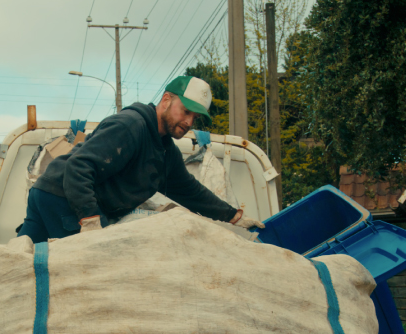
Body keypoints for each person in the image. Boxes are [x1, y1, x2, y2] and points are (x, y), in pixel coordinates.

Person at [18, 75, 265, 242]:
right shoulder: (131, 126)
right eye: (185, 111)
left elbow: (190, 191)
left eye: (195, 117)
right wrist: (91, 221)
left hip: (46, 193)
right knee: (89, 277)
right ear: (166, 100)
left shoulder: (165, 150)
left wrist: (233, 215)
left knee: (20, 270)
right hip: (63, 198)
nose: (189, 122)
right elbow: (78, 166)